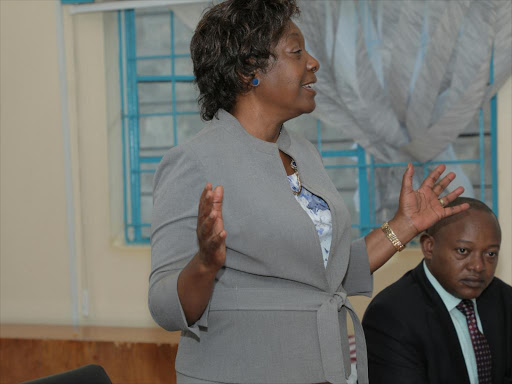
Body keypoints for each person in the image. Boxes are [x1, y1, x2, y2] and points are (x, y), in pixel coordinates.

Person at [149, 1, 468, 383]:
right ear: (248, 70)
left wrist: (404, 225)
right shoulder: (194, 161)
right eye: (296, 51)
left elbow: (327, 277)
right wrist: (205, 263)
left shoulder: (302, 152)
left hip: (324, 370)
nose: (313, 62)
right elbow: (165, 307)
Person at [362, 197, 512, 384]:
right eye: (463, 251)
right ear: (429, 247)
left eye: (490, 254)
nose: (478, 266)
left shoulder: (505, 300)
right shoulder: (391, 316)